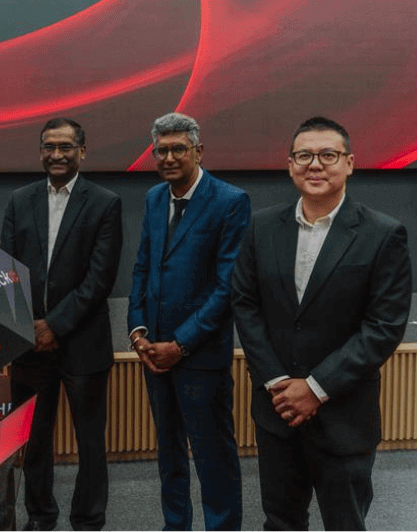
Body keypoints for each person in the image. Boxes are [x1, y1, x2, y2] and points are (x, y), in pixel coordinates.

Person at [231, 116, 412, 530]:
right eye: (304, 155)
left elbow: (382, 326)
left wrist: (315, 388)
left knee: (344, 522)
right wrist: (276, 380)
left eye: (328, 155)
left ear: (349, 163)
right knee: (280, 521)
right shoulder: (260, 227)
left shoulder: (383, 234)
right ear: (290, 165)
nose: (316, 164)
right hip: (277, 412)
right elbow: (245, 303)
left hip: (343, 416)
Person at [0, 117, 123, 531]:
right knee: (35, 441)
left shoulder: (105, 202)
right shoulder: (19, 200)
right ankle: (40, 515)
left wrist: (54, 324)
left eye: (65, 147)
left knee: (90, 442)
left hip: (83, 343)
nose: (56, 154)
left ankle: (88, 520)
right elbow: (7, 273)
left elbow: (100, 278)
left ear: (82, 151)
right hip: (29, 344)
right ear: (40, 151)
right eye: (48, 146)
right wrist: (31, 326)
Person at [127, 112, 248, 530]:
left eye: (179, 149)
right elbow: (142, 268)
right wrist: (138, 332)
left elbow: (226, 287)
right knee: (169, 455)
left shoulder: (230, 201)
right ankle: (175, 525)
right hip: (154, 355)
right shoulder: (154, 198)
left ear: (199, 151)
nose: (169, 157)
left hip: (198, 357)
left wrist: (179, 344)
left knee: (213, 456)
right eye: (161, 150)